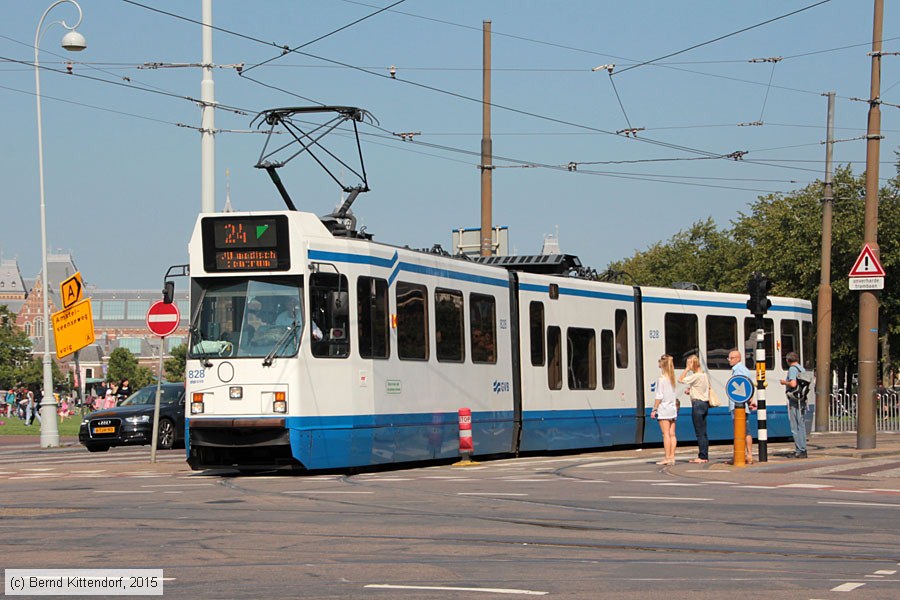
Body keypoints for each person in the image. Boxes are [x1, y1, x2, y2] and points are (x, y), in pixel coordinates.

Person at [728, 349, 758, 464]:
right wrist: (750, 400)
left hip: (738, 406)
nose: (729, 360)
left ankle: (743, 455)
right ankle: (744, 454)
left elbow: (745, 386)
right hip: (741, 404)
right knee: (745, 431)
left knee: (741, 431)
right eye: (729, 358)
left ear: (738, 358)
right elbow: (748, 386)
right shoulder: (741, 369)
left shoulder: (739, 370)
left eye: (731, 358)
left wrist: (749, 400)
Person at [679, 354, 710, 463]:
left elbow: (680, 379)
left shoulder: (696, 375)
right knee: (703, 432)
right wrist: (691, 390)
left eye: (688, 364)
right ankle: (704, 455)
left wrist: (686, 370)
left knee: (699, 432)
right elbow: (702, 389)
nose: (688, 366)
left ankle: (702, 456)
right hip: (705, 404)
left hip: (697, 405)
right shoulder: (704, 375)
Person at [650, 354, 679, 465]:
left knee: (665, 434)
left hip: (664, 408)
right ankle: (672, 457)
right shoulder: (672, 378)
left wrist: (654, 409)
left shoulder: (661, 379)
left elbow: (659, 396)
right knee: (672, 434)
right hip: (672, 408)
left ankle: (667, 457)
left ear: (662, 364)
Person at [780, 351, 808, 458]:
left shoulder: (792, 369)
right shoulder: (801, 368)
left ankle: (799, 450)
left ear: (787, 360)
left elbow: (793, 383)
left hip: (794, 400)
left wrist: (784, 382)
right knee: (801, 425)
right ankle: (803, 449)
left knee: (795, 427)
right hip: (802, 399)